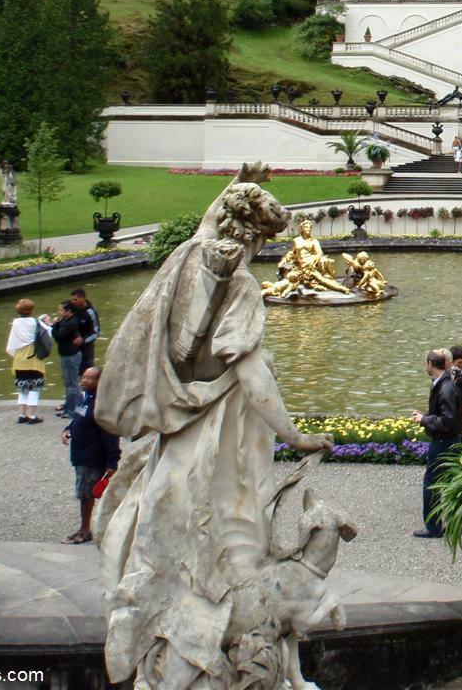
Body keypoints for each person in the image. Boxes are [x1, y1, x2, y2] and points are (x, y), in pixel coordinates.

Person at [93, 164, 332, 684]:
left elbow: (208, 226)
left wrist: (231, 188)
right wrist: (294, 434)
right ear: (259, 237)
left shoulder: (187, 259)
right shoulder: (240, 285)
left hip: (181, 434)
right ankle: (220, 659)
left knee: (164, 540)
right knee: (228, 547)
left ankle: (161, 660)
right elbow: (250, 373)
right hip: (224, 439)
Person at [61, 366, 119, 544]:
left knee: (87, 494)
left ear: (100, 382)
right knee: (84, 493)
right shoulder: (85, 399)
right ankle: (89, 527)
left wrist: (112, 462)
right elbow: (78, 419)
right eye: (84, 377)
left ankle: (86, 530)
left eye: (90, 378)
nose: (84, 381)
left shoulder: (102, 406)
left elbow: (111, 434)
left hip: (92, 457)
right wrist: (68, 429)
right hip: (80, 454)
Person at [411, 349, 462, 538]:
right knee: (450, 482)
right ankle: (454, 522)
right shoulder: (445, 384)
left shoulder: (445, 387)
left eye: (426, 363)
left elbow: (447, 421)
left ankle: (433, 526)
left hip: (443, 442)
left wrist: (424, 419)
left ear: (431, 364)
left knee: (431, 483)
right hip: (450, 440)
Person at [7, 298, 48, 423]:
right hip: (33, 358)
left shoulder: (15, 323)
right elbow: (46, 334)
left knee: (22, 389)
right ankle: (32, 416)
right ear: (31, 310)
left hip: (19, 359)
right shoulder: (34, 322)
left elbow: (11, 345)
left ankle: (21, 414)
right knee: (34, 389)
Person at [52, 298, 86, 417]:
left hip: (71, 355)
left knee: (72, 383)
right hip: (66, 354)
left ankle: (72, 410)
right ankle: (68, 407)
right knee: (68, 383)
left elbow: (59, 337)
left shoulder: (71, 323)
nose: (59, 312)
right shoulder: (66, 320)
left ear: (69, 311)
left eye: (61, 310)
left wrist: (54, 326)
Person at [70, 288, 102, 370]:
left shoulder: (91, 312)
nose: (73, 302)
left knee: (86, 370)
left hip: (86, 348)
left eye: (75, 300)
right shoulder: (72, 309)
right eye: (72, 300)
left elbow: (96, 332)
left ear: (82, 298)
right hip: (72, 347)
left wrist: (83, 340)